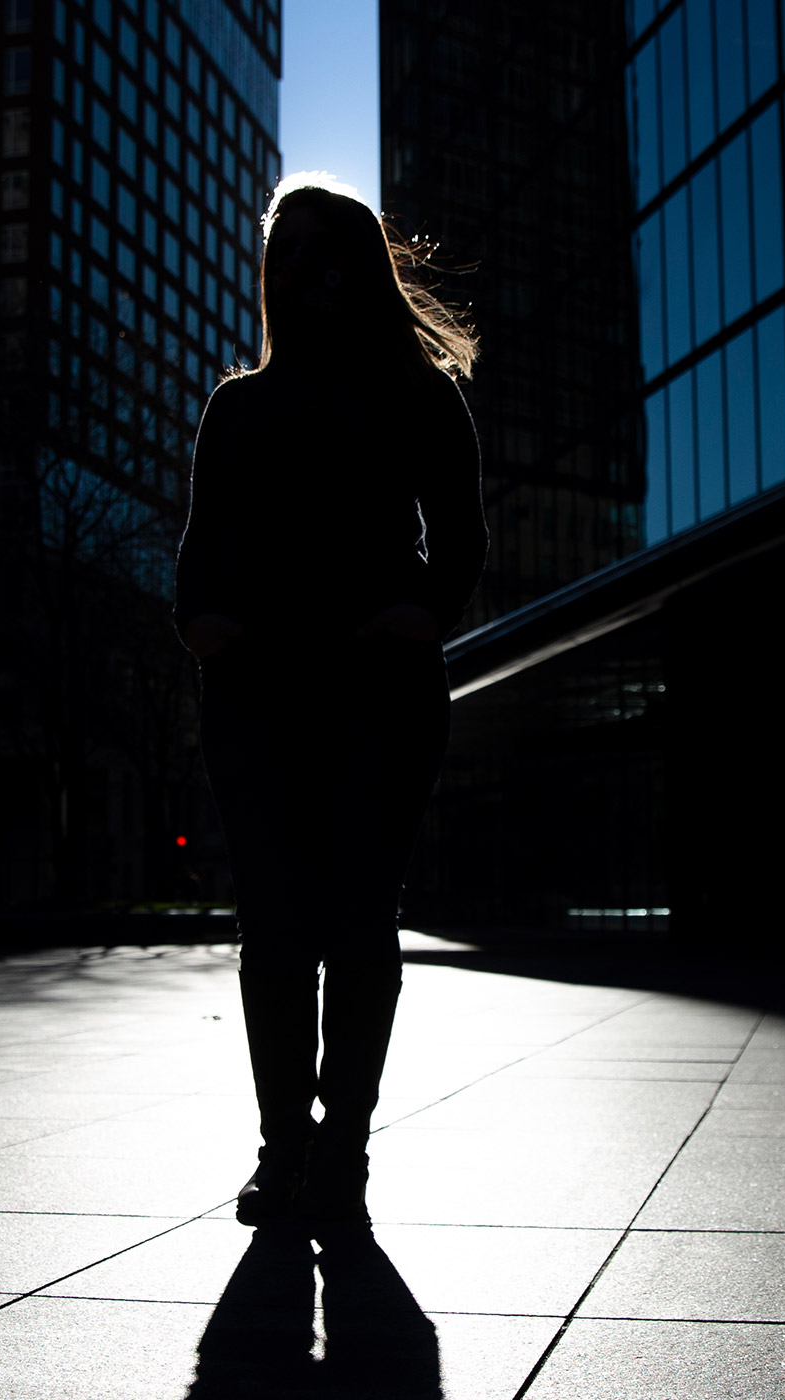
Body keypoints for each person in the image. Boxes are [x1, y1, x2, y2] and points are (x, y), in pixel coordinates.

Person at [174, 173, 484, 1228]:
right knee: (275, 934)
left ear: (363, 260)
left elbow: (463, 535)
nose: (306, 264)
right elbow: (199, 551)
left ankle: (340, 1154)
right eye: (286, 249)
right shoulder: (239, 405)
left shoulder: (416, 393)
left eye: (326, 245)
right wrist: (202, 623)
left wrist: (424, 609)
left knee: (358, 930)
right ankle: (282, 1153)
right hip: (257, 697)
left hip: (378, 694)